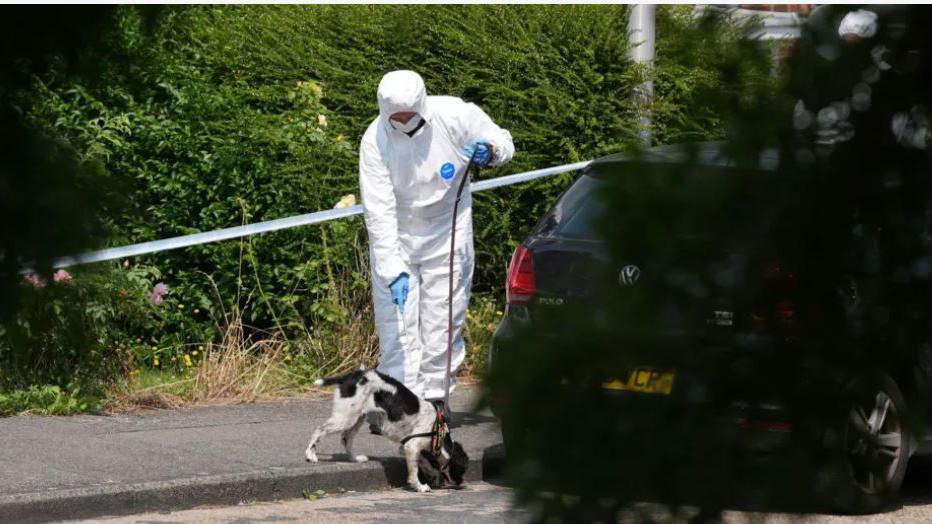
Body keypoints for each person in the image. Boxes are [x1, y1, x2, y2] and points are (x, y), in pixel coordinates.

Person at [359, 70, 514, 428]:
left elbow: (503, 140)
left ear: (421, 105)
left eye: (408, 117)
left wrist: (491, 151)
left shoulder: (455, 115)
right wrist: (391, 268)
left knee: (442, 320)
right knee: (395, 326)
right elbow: (378, 209)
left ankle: (435, 399)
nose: (402, 124)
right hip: (398, 235)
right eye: (394, 119)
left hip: (447, 231)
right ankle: (400, 404)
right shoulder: (375, 140)